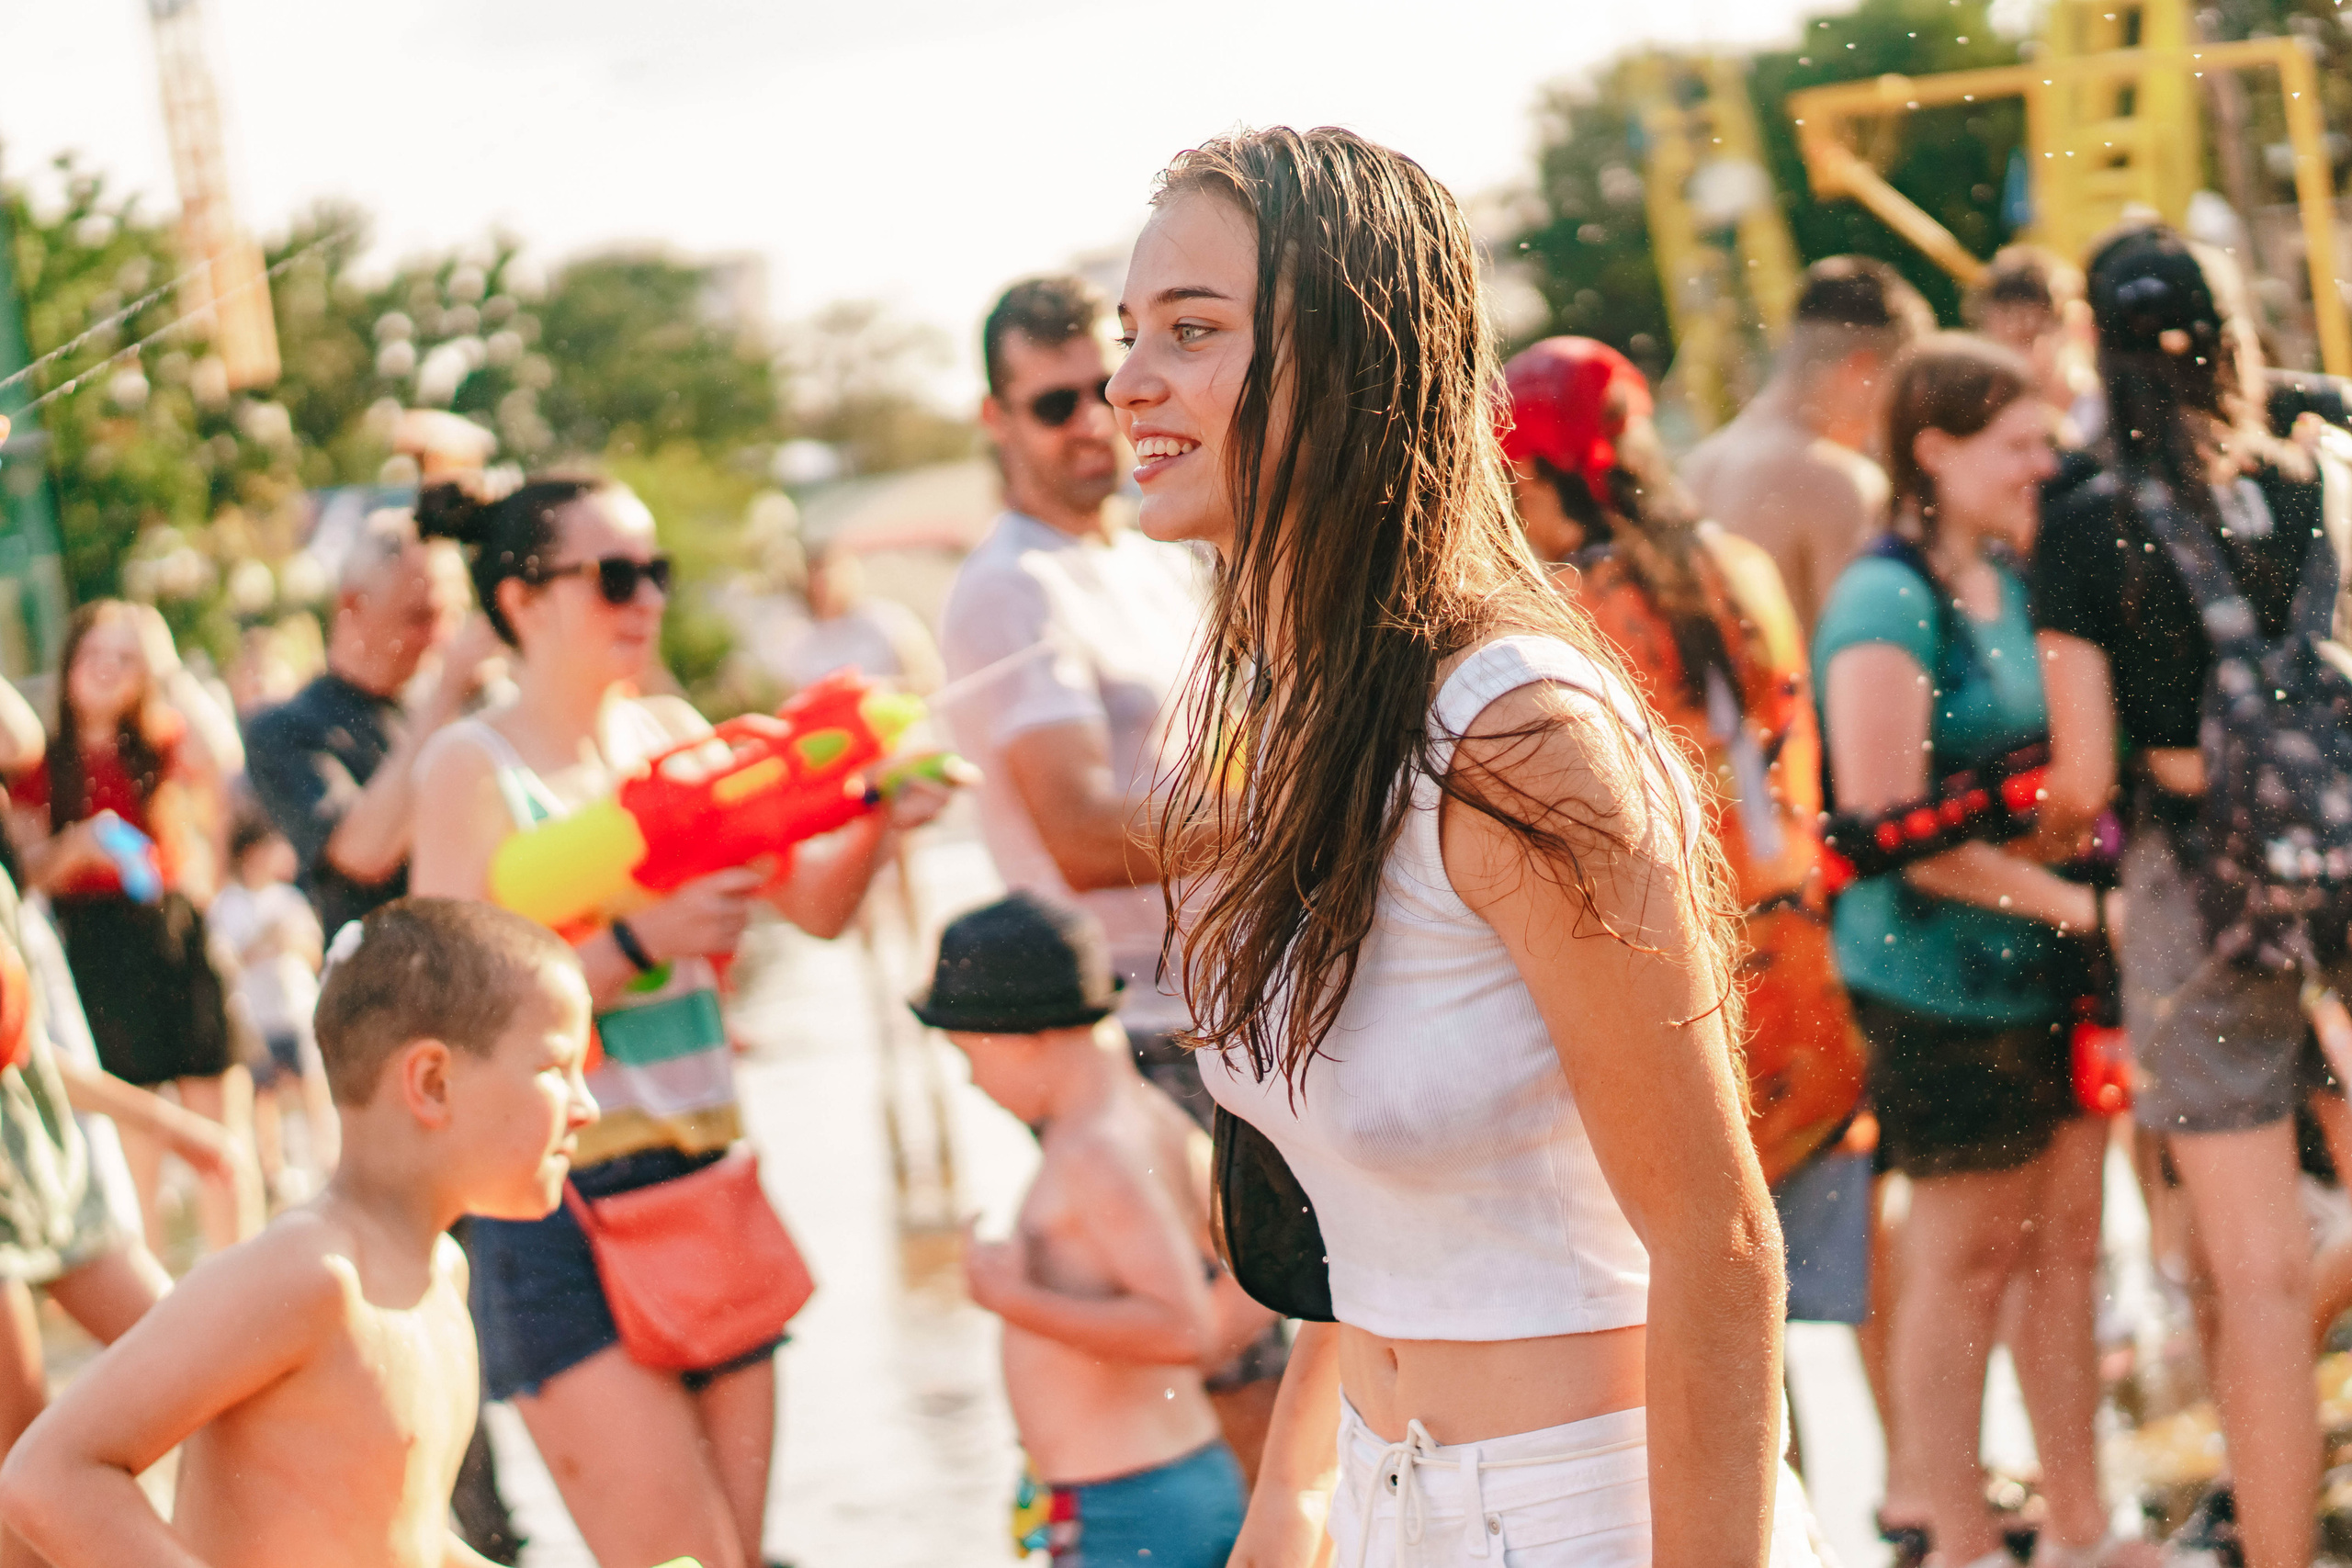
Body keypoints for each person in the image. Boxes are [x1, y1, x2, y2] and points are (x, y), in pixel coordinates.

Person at [1112, 124, 1821, 1567]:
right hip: (1385, 1498)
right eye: (1133, 333)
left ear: (1356, 360)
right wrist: (1292, 1507)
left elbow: (1719, 1246)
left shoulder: (1510, 735)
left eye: (1194, 332)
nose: (1130, 381)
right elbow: (1362, 1214)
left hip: (1590, 1512)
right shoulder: (1301, 704)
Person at [406, 473, 952, 1568]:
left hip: (706, 1175)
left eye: (655, 571)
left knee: (734, 1561)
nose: (646, 598)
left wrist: (882, 816)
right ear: (522, 600)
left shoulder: (673, 732)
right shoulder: (472, 767)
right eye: (615, 576)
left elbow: (817, 910)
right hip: (555, 1207)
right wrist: (641, 941)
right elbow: (443, 1014)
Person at [2033, 223, 2350, 1568]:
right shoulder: (2305, 481)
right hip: (2336, 861)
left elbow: (2086, 772)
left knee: (2261, 1280)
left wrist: (2028, 824)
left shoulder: (2084, 522)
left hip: (2193, 890)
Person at [0, 897, 598, 1568]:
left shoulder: (439, 1273)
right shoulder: (307, 1272)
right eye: (555, 1068)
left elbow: (401, 1538)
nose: (587, 1106)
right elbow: (49, 1473)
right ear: (432, 1081)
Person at [1815, 334, 2127, 1568]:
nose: (2047, 463)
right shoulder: (1882, 598)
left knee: (2067, 1256)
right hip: (1938, 984)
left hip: (2050, 975)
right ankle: (1949, 1532)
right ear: (1935, 450)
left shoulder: (2014, 570)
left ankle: (2082, 1524)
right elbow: (1890, 829)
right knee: (1961, 1266)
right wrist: (2073, 906)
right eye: (2022, 444)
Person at [913, 894, 1270, 1568]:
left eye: (968, 1052)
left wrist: (1012, 1299)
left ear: (1024, 1036)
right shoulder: (1145, 1115)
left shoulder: (1092, 1153)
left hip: (1125, 1507)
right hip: (1169, 1481)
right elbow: (1260, 1271)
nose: (968, 1078)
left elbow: (1181, 1328)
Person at [4, 600, 255, 1255]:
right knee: (136, 1130)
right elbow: (26, 869)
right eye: (96, 654)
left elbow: (224, 755)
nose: (110, 670)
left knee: (219, 1108)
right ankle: (158, 1292)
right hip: (94, 939)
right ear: (68, 663)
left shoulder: (159, 740)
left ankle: (243, 1274)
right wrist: (76, 850)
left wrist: (166, 666)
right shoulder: (40, 759)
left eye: (126, 657)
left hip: (172, 929)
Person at [246, 505, 494, 939]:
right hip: (384, 985)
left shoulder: (462, 703)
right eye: (419, 617)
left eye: (453, 615)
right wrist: (445, 699)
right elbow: (362, 854)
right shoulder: (285, 728)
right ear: (352, 605)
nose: (442, 637)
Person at [1684, 255, 1934, 635]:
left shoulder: (1698, 466)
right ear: (1860, 370)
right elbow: (1859, 652)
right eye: (1901, 386)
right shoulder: (1840, 483)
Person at [209, 814, 335, 1203]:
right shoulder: (226, 904)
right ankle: (273, 1172)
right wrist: (259, 946)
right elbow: (222, 961)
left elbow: (314, 950)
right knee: (263, 1097)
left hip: (296, 1008)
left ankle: (329, 1161)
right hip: (254, 1015)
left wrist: (285, 944)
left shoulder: (288, 898)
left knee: (314, 1087)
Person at [777, 544, 943, 694]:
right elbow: (792, 702)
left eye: (832, 570)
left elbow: (930, 678)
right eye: (818, 573)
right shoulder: (799, 644)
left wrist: (874, 691)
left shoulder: (889, 619)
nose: (825, 580)